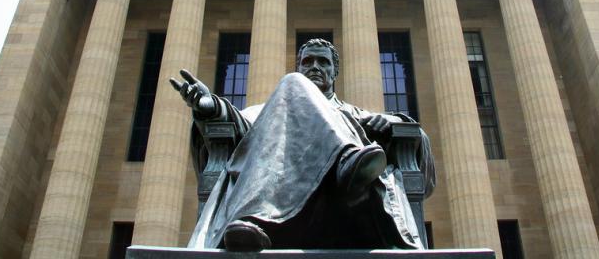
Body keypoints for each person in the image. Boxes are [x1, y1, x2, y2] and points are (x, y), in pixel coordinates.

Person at [171, 39, 435, 251]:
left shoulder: (356, 115)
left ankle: (345, 164)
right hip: (285, 200)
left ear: (335, 72)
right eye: (307, 62)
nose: (315, 67)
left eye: (323, 62)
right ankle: (344, 162)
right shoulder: (276, 109)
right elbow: (241, 125)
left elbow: (423, 165)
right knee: (291, 84)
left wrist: (393, 123)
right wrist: (212, 107)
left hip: (346, 206)